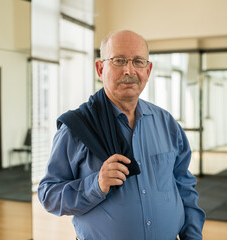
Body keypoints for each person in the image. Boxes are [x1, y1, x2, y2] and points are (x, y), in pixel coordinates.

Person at [38, 30, 205, 240]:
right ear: (100, 68)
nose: (129, 70)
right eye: (119, 60)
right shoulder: (76, 128)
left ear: (148, 69)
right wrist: (96, 185)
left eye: (138, 61)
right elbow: (48, 195)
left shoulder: (167, 124)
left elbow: (184, 188)